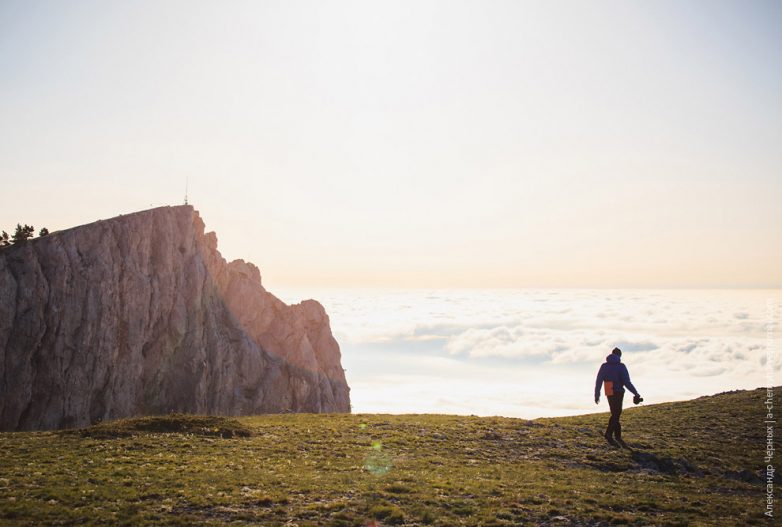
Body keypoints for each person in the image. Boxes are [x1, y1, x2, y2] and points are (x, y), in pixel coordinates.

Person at [594, 347, 642, 447]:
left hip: (608, 388)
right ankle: (609, 434)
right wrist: (635, 393)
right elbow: (626, 382)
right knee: (617, 412)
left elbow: (599, 380)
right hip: (618, 390)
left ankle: (617, 435)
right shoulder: (621, 366)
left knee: (615, 413)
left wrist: (597, 394)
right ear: (619, 355)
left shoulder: (604, 366)